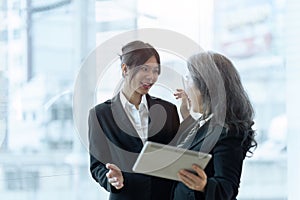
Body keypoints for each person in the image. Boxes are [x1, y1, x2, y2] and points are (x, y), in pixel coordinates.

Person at [88, 40, 180, 200]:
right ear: (125, 69)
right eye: (144, 69)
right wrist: (112, 179)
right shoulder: (101, 114)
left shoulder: (168, 110)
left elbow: (178, 155)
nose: (151, 77)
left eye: (156, 71)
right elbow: (97, 166)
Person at [172, 51, 257, 200]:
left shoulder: (229, 132)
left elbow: (227, 188)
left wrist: (204, 186)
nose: (185, 88)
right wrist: (186, 115)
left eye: (188, 80)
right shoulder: (206, 122)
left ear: (205, 87)